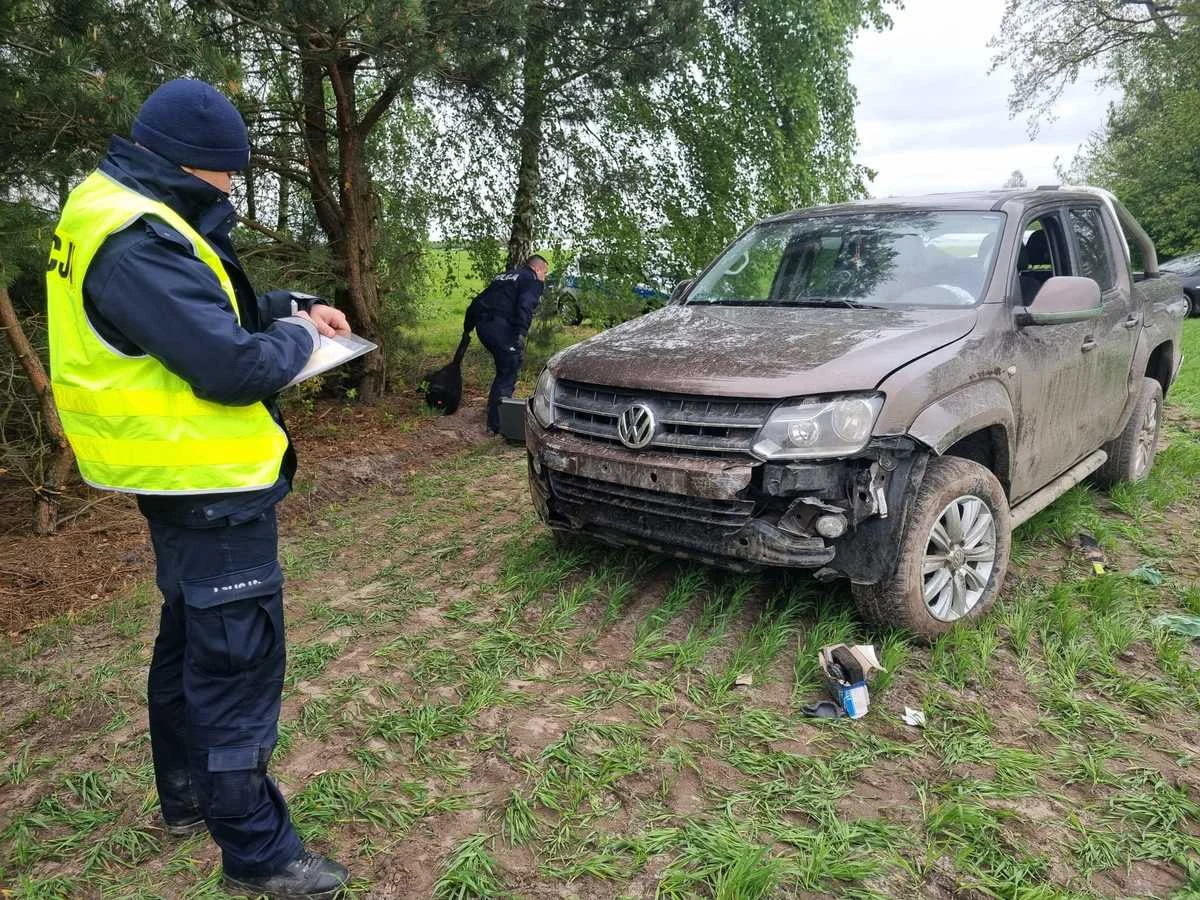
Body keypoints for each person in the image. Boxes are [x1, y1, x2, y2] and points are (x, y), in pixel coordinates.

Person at [46, 79, 351, 899]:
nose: (231, 192)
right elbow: (228, 363)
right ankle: (257, 852)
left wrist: (293, 303)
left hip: (180, 481)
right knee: (235, 666)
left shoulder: (118, 207)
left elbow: (195, 306)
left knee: (188, 641)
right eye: (227, 176)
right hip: (209, 485)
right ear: (194, 164)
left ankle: (185, 799)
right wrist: (290, 338)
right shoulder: (136, 238)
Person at [467, 255, 548, 434]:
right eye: (545, 273)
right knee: (508, 369)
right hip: (500, 329)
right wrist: (521, 333)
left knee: (503, 368)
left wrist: (467, 329)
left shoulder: (504, 276)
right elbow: (526, 306)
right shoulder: (531, 280)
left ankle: (494, 412)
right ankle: (497, 425)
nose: (545, 277)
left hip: (483, 327)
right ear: (538, 269)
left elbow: (478, 301)